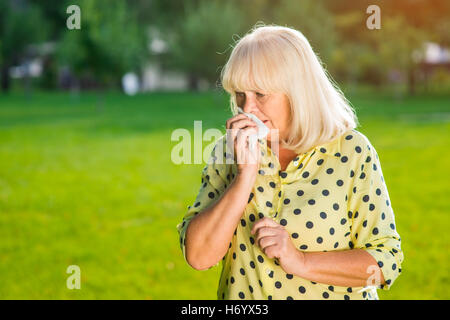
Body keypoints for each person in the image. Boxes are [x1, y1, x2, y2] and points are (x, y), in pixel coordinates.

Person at [176, 24, 403, 300]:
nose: (247, 109)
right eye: (240, 95)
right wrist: (244, 178)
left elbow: (385, 262)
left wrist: (300, 261)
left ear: (297, 92)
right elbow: (199, 256)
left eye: (260, 94)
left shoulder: (353, 152)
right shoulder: (230, 150)